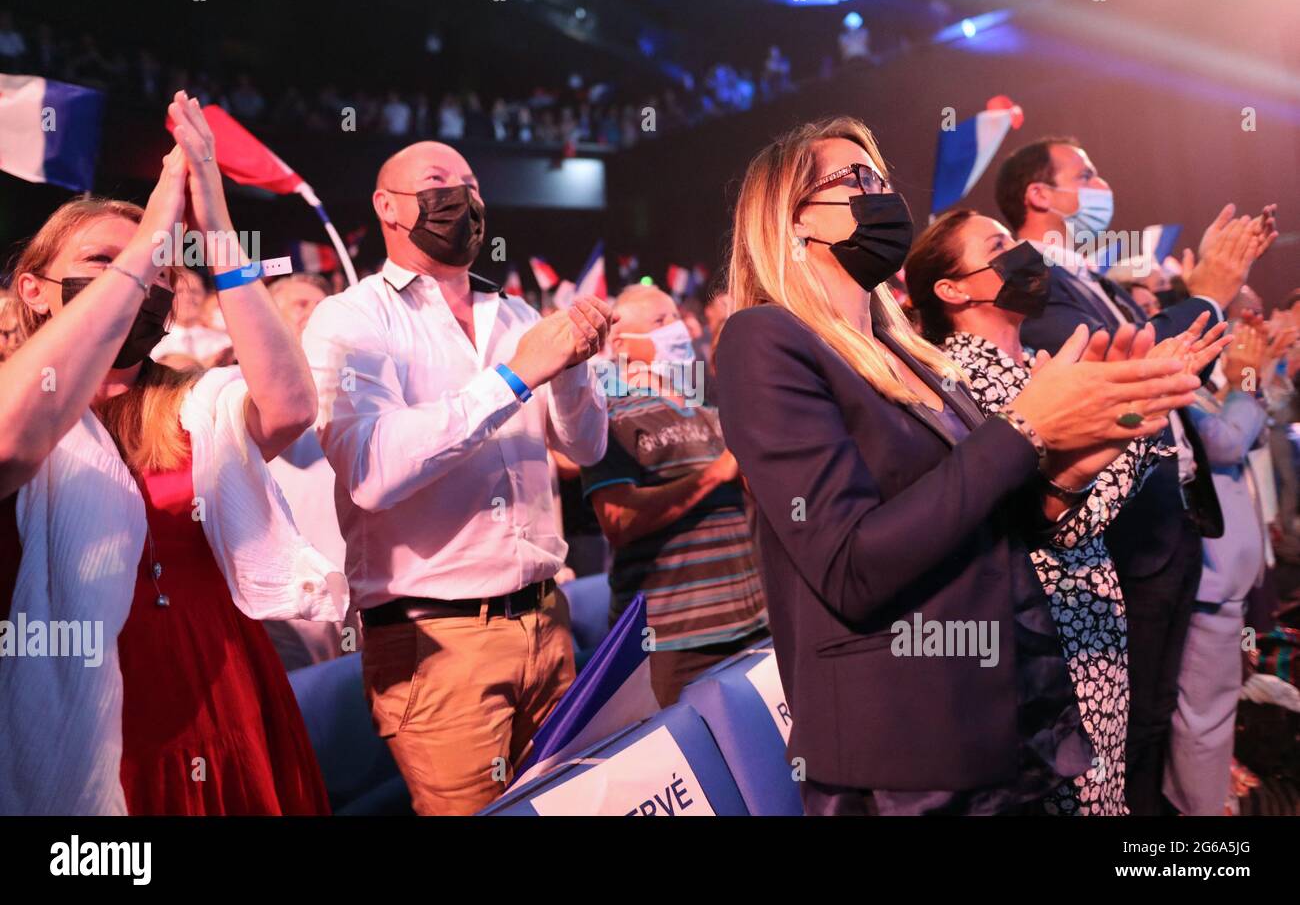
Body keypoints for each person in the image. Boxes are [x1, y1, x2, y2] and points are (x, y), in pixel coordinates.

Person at [713, 115, 1203, 815]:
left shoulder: (910, 355)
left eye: (882, 177)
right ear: (794, 220)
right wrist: (1027, 424)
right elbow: (852, 565)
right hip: (910, 757)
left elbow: (987, 520)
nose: (883, 194)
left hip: (1012, 718)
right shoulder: (763, 340)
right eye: (855, 179)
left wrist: (1076, 461)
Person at [0, 92, 345, 815]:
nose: (143, 285)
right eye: (109, 261)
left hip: (224, 693)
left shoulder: (193, 401)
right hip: (97, 729)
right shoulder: (18, 405)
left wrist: (214, 229)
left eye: (160, 273)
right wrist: (151, 229)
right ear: (31, 289)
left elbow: (288, 406)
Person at [301, 140, 613, 815]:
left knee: (572, 805)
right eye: (438, 180)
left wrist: (575, 359)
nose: (462, 196)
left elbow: (587, 447)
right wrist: (515, 376)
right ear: (387, 205)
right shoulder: (350, 320)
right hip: (438, 644)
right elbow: (372, 472)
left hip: (545, 621)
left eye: (472, 184)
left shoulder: (518, 314)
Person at [904, 208, 1229, 814]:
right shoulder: (966, 377)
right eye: (997, 244)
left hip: (1088, 614)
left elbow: (1093, 497)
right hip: (1050, 627)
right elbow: (1071, 518)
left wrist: (1136, 412)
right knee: (1074, 794)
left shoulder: (1031, 365)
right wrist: (1140, 415)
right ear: (952, 288)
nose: (1021, 250)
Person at [995, 136, 1277, 813]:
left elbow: (1172, 374)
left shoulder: (1089, 276)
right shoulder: (1032, 280)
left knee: (1157, 713)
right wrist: (1204, 295)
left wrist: (1202, 305)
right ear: (1039, 194)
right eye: (1085, 173)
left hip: (1170, 524)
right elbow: (1121, 372)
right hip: (1121, 532)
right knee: (1132, 727)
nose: (1101, 185)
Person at [582, 284, 768, 706]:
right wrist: (712, 476)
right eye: (660, 321)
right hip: (671, 644)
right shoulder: (605, 415)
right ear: (621, 344)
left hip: (751, 626)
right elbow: (618, 521)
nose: (679, 329)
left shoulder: (706, 406)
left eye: (676, 318)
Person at [1166, 316, 1292, 814]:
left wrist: (1250, 375)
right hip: (1208, 589)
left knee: (1226, 698)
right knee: (1205, 719)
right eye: (1233, 322)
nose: (1242, 333)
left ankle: (1217, 793)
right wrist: (1247, 374)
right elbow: (1227, 442)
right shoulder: (1179, 385)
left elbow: (1254, 430)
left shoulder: (1218, 386)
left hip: (1236, 586)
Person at [263, 273, 352, 670]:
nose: (313, 314)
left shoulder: (357, 388)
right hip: (281, 601)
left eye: (321, 306)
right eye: (300, 305)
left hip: (350, 591)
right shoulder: (239, 386)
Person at [150, 265, 232, 367]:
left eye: (194, 291)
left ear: (205, 296)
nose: (188, 298)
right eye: (179, 291)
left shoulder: (223, 341)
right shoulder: (153, 342)